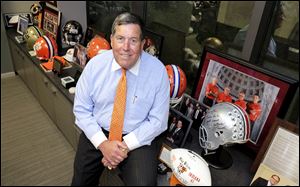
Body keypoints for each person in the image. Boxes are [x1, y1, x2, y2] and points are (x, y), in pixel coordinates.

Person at [71, 12, 170, 186]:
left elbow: (158, 121)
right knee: (79, 182)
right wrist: (103, 144)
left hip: (137, 136)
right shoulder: (95, 65)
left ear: (142, 44)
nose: (126, 47)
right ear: (111, 39)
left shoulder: (158, 71)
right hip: (98, 130)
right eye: (120, 38)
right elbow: (81, 109)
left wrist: (123, 147)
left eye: (133, 40)